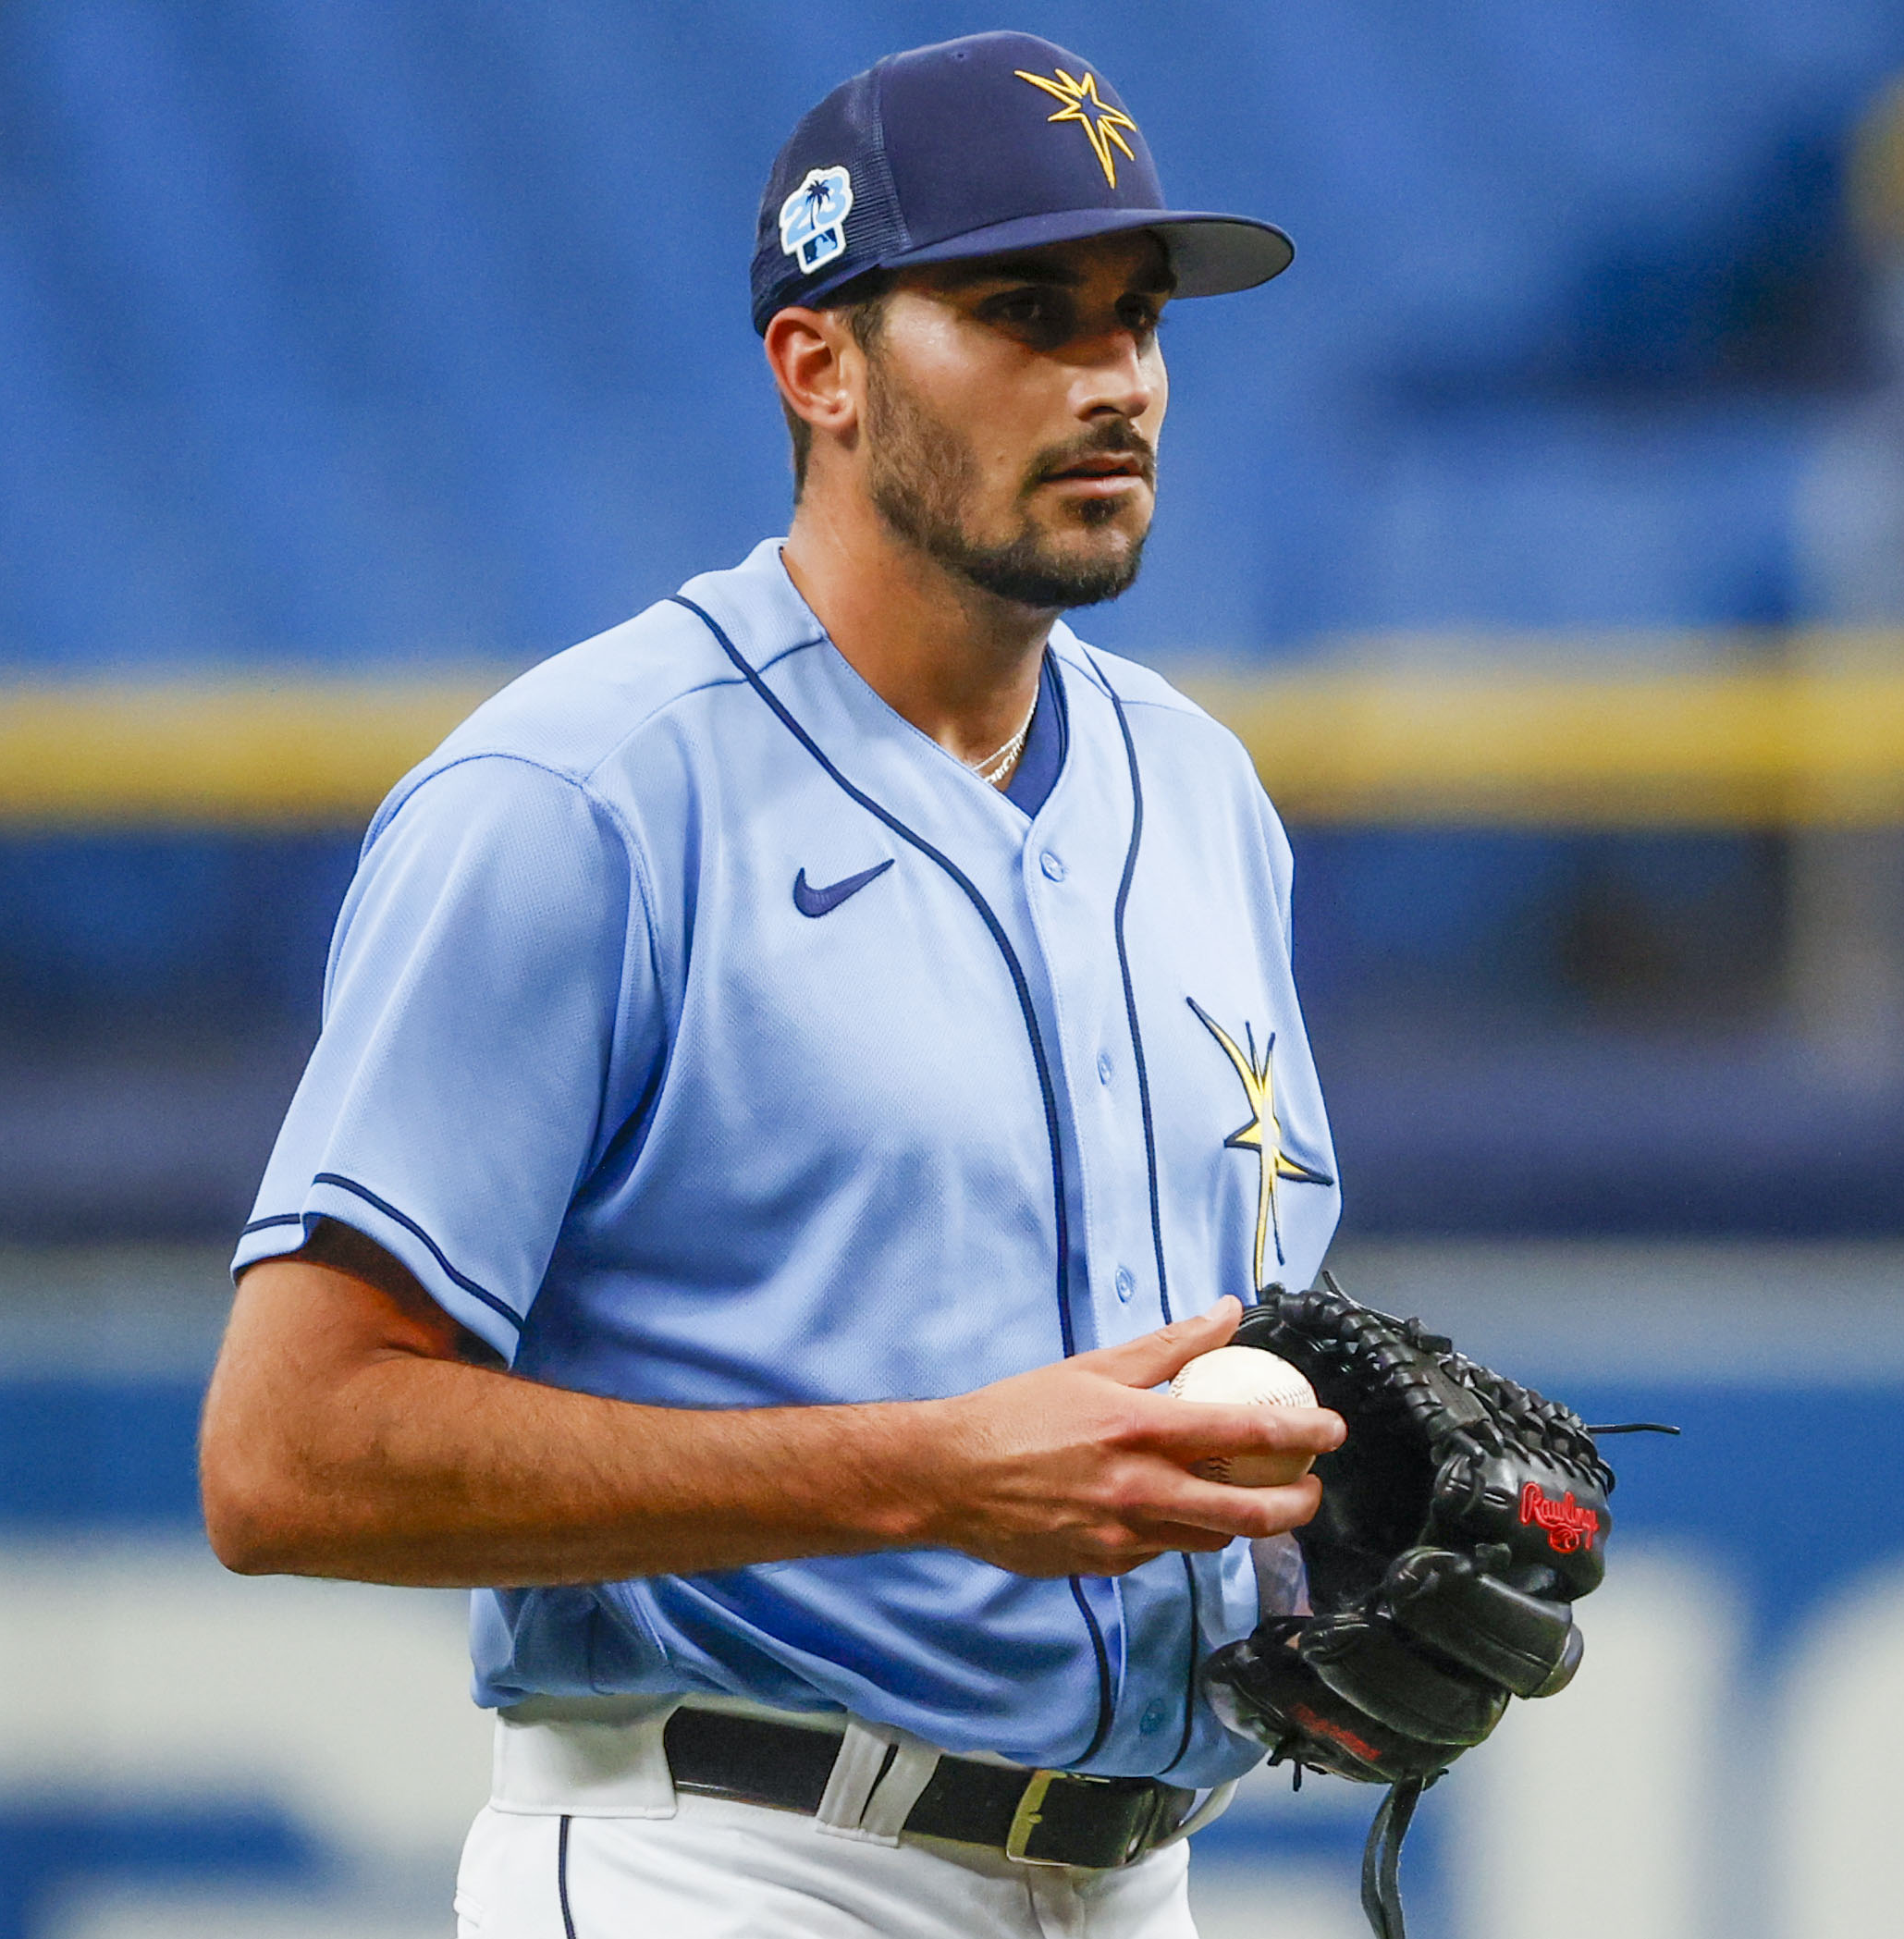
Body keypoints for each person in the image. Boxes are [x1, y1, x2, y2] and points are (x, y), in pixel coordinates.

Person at [197, 31, 1348, 1938]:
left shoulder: (1206, 792)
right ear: (817, 362)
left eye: (1136, 320)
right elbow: (286, 1450)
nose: (1115, 379)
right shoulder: (578, 797)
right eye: (1024, 310)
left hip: (1142, 1879)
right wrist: (919, 1474)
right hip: (734, 1854)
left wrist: (1315, 1568)